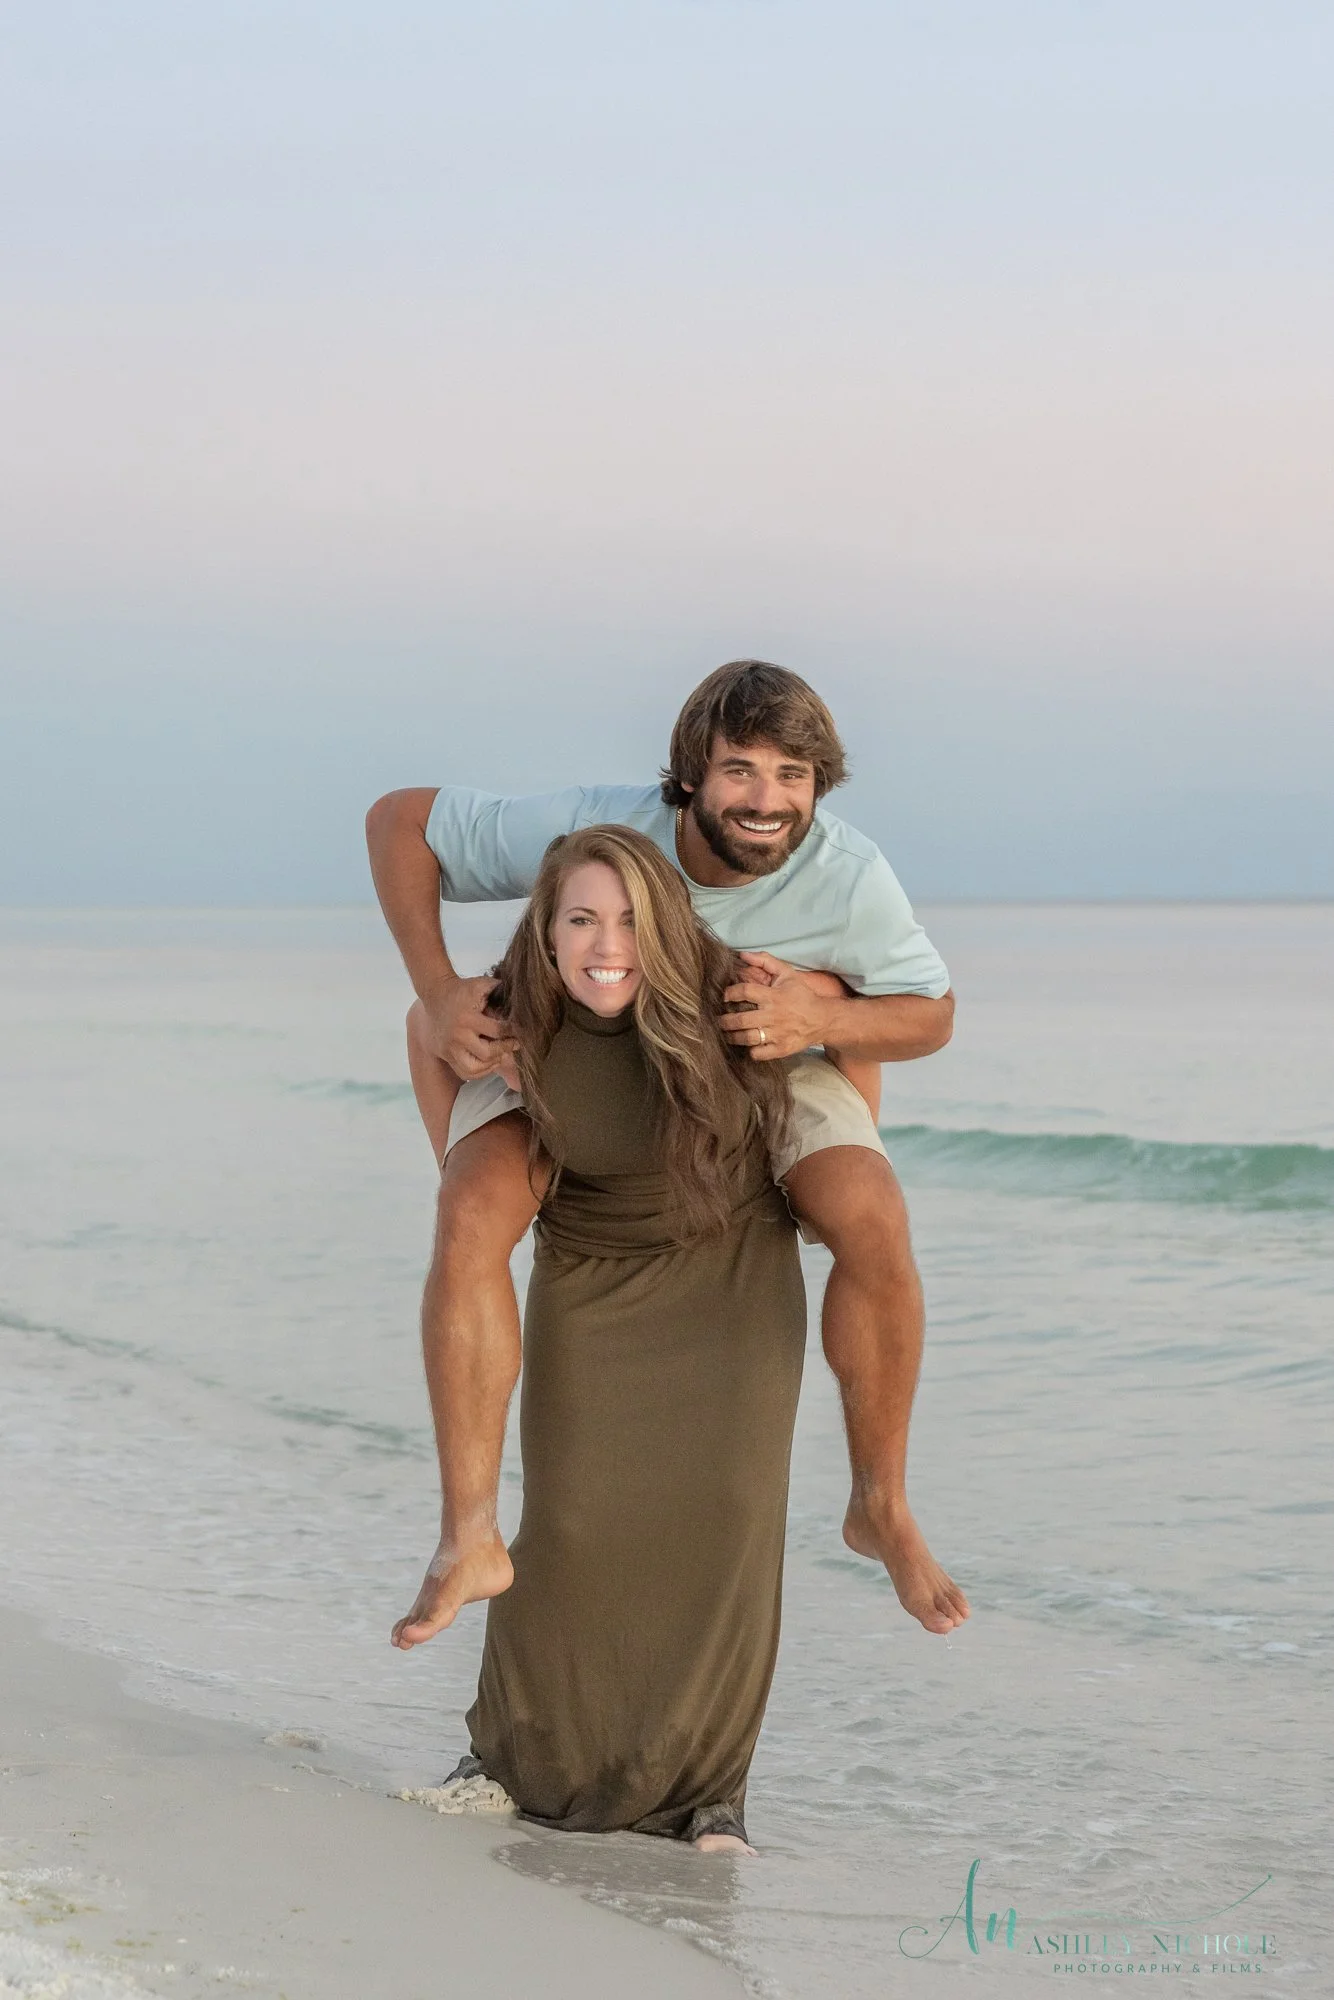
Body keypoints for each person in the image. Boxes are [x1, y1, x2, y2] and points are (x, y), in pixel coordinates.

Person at [368, 660, 970, 1654]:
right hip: (579, 1061)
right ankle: (466, 1536)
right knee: (470, 1213)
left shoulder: (848, 874)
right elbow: (399, 822)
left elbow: (929, 1013)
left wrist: (820, 1011)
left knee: (870, 1212)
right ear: (686, 774)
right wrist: (437, 991)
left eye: (793, 773)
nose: (768, 799)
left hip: (756, 1067)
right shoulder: (596, 828)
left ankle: (880, 1503)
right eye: (740, 769)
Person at [397, 825, 805, 1853]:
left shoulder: (729, 997)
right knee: (570, 1517)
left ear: (662, 925)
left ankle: (711, 1794)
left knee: (726, 1522)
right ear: (546, 928)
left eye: (625, 919)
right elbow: (421, 1026)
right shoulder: (510, 1016)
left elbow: (842, 1068)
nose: (603, 943)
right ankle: (504, 1758)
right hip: (587, 1273)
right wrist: (467, 1152)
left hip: (732, 1278)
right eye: (580, 918)